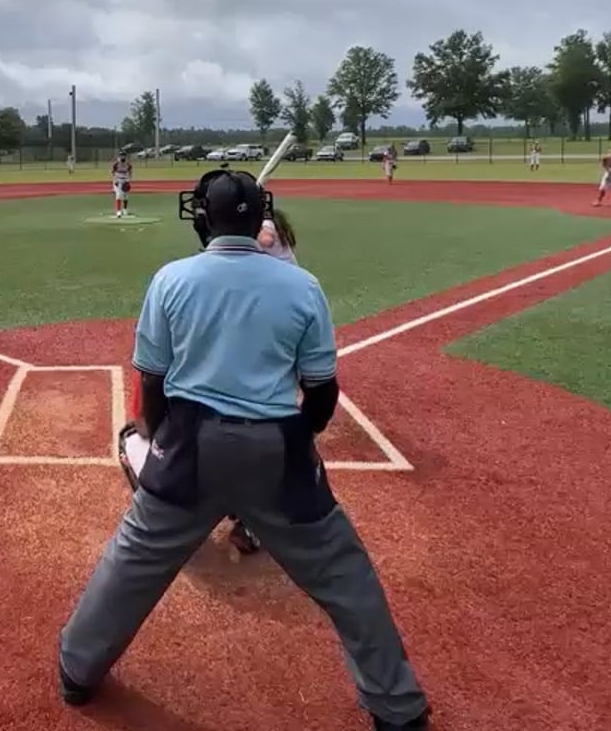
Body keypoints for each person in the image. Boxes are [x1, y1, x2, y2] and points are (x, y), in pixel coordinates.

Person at [63, 168, 431, 730]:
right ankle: (396, 707)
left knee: (133, 559)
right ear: (262, 217)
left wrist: (161, 444)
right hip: (275, 446)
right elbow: (322, 392)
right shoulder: (301, 286)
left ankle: (77, 670)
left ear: (202, 218)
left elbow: (152, 382)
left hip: (189, 444)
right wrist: (295, 444)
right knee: (343, 573)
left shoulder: (171, 279)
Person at [110, 151, 134, 218]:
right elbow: (112, 172)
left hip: (125, 180)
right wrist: (115, 181)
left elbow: (130, 173)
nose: (122, 157)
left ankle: (125, 209)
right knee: (119, 195)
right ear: (119, 156)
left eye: (124, 155)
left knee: (126, 196)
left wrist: (129, 181)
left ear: (126, 156)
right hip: (118, 180)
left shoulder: (128, 164)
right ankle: (118, 211)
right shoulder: (116, 164)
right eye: (121, 155)